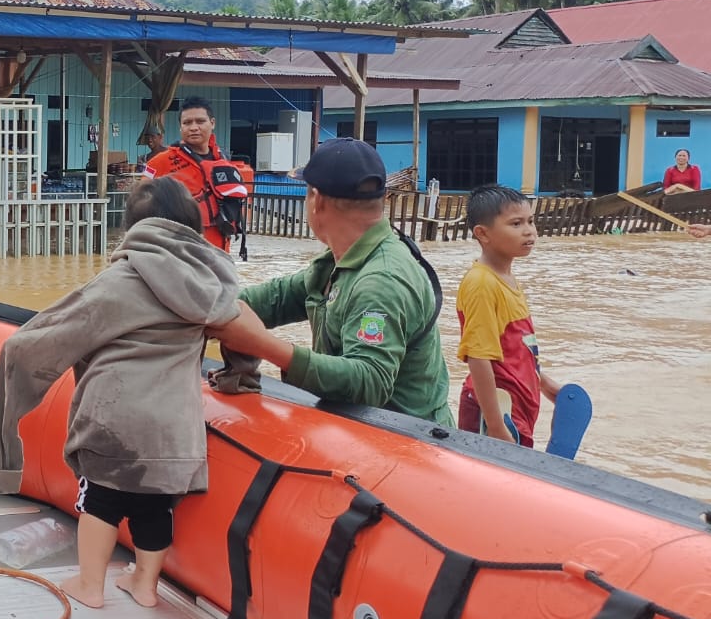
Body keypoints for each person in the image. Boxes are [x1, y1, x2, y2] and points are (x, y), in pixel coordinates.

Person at [0, 177, 242, 609]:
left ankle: (90, 584)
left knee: (100, 502)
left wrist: (15, 368)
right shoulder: (215, 281)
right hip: (175, 433)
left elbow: (47, 338)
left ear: (133, 227)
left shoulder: (121, 279)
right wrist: (240, 378)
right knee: (155, 510)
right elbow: (241, 331)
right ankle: (145, 585)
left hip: (115, 424)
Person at [217, 137, 452, 425]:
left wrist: (264, 345)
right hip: (366, 432)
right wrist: (214, 309)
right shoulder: (342, 258)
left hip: (409, 441)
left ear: (317, 200)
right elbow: (280, 297)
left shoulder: (381, 281)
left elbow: (370, 381)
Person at [455, 185, 564, 446]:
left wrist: (544, 384)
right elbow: (479, 357)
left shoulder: (505, 278)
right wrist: (494, 425)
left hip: (515, 404)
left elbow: (517, 349)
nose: (529, 231)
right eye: (516, 224)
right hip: (495, 409)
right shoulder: (482, 284)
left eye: (530, 221)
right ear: (483, 233)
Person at [140, 96, 252, 255]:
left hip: (219, 256)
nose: (193, 127)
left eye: (200, 121)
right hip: (179, 255)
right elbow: (139, 203)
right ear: (180, 128)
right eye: (187, 123)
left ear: (212, 123)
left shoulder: (224, 162)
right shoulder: (160, 163)